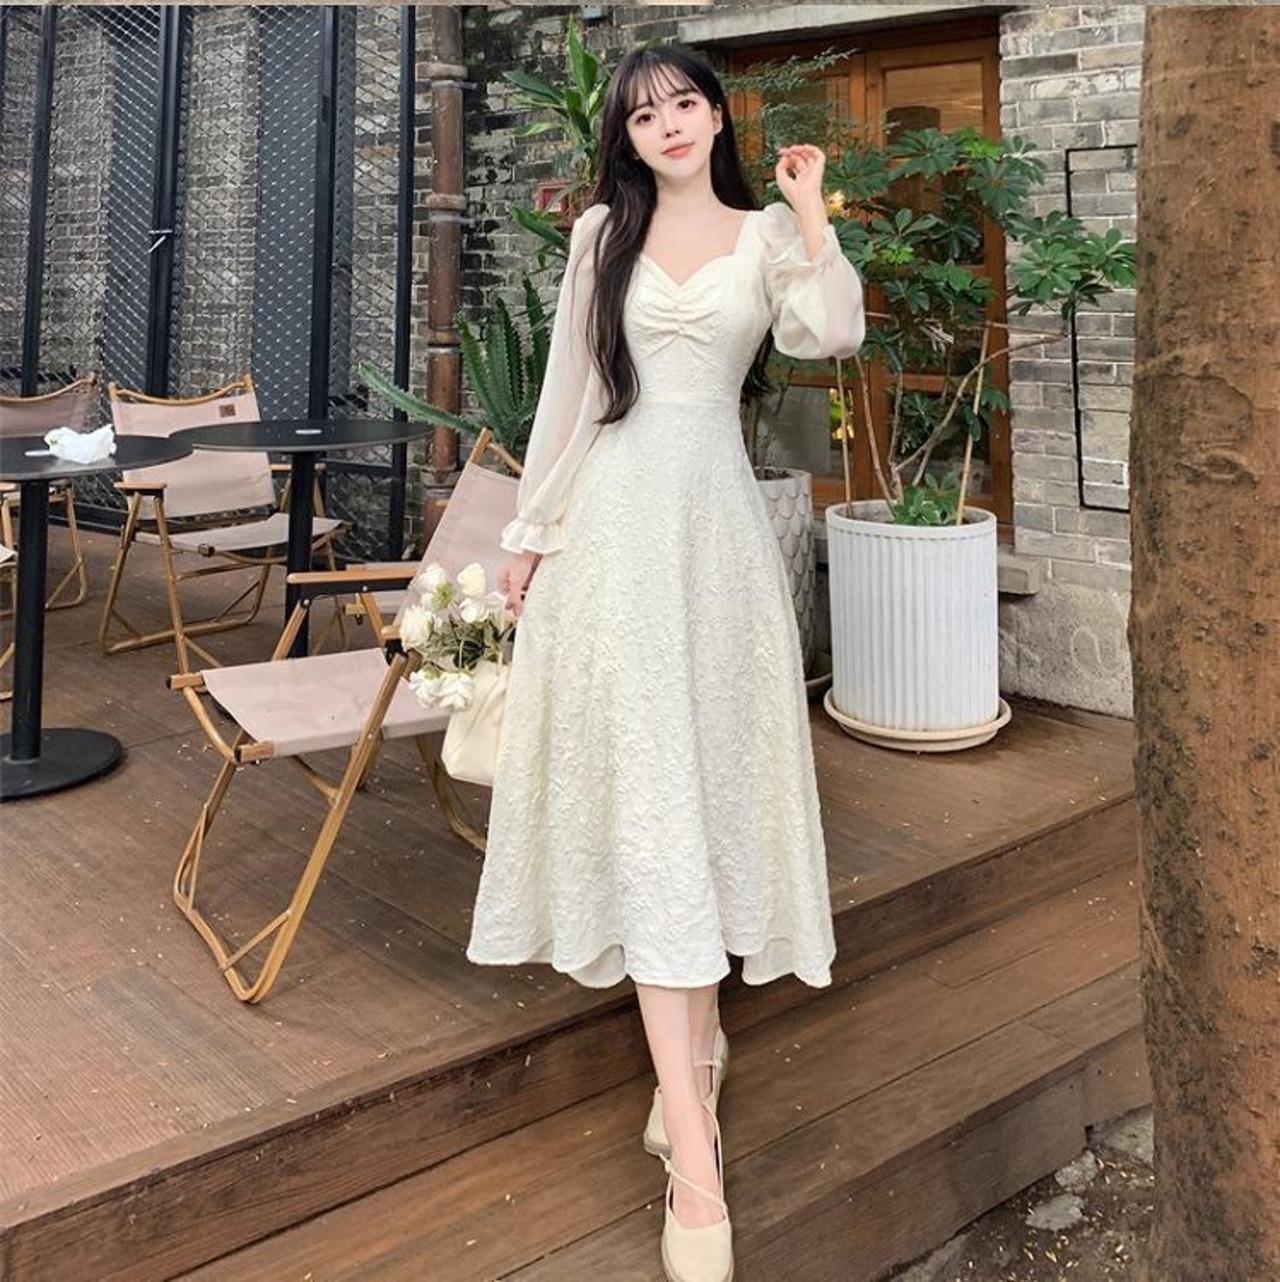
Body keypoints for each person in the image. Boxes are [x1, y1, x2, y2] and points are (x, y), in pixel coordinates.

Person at [466, 41, 864, 1282]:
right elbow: (569, 398)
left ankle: (692, 1059)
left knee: (699, 789)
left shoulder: (766, 236)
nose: (667, 126)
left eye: (684, 103)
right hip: (610, 536)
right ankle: (693, 1149)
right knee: (645, 801)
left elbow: (830, 334)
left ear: (716, 115)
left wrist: (810, 212)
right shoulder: (601, 234)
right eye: (643, 116)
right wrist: (527, 539)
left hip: (716, 542)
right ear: (625, 139)